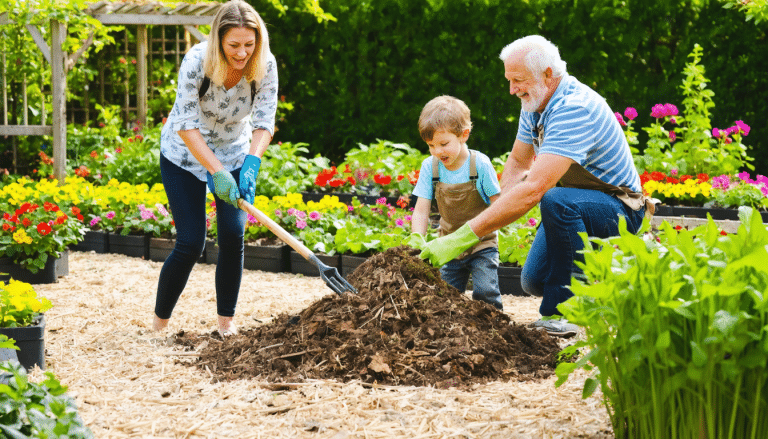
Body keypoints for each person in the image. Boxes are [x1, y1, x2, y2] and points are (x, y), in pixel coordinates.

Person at [417, 35, 654, 337]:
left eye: (518, 80)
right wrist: (498, 207)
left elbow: (536, 188)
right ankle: (602, 284)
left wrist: (462, 236)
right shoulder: (535, 102)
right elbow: (517, 161)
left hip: (619, 208)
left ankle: (562, 315)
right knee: (533, 280)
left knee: (556, 200)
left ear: (547, 75)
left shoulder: (573, 108)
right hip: (579, 203)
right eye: (509, 80)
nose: (512, 89)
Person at [152, 0, 278, 336]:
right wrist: (215, 170)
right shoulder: (197, 61)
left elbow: (265, 120)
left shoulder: (264, 64)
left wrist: (252, 160)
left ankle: (226, 325)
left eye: (249, 45)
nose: (242, 53)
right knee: (191, 242)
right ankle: (159, 325)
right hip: (185, 155)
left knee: (234, 236)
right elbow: (184, 123)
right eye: (234, 45)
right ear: (218, 40)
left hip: (235, 152)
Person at [409, 96, 503, 310]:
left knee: (485, 291)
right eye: (431, 145)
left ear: (464, 135)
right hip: (447, 246)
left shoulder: (479, 165)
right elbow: (422, 209)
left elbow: (498, 206)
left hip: (482, 244)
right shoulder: (430, 167)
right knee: (444, 298)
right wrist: (417, 239)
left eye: (443, 144)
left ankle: (493, 330)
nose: (437, 151)